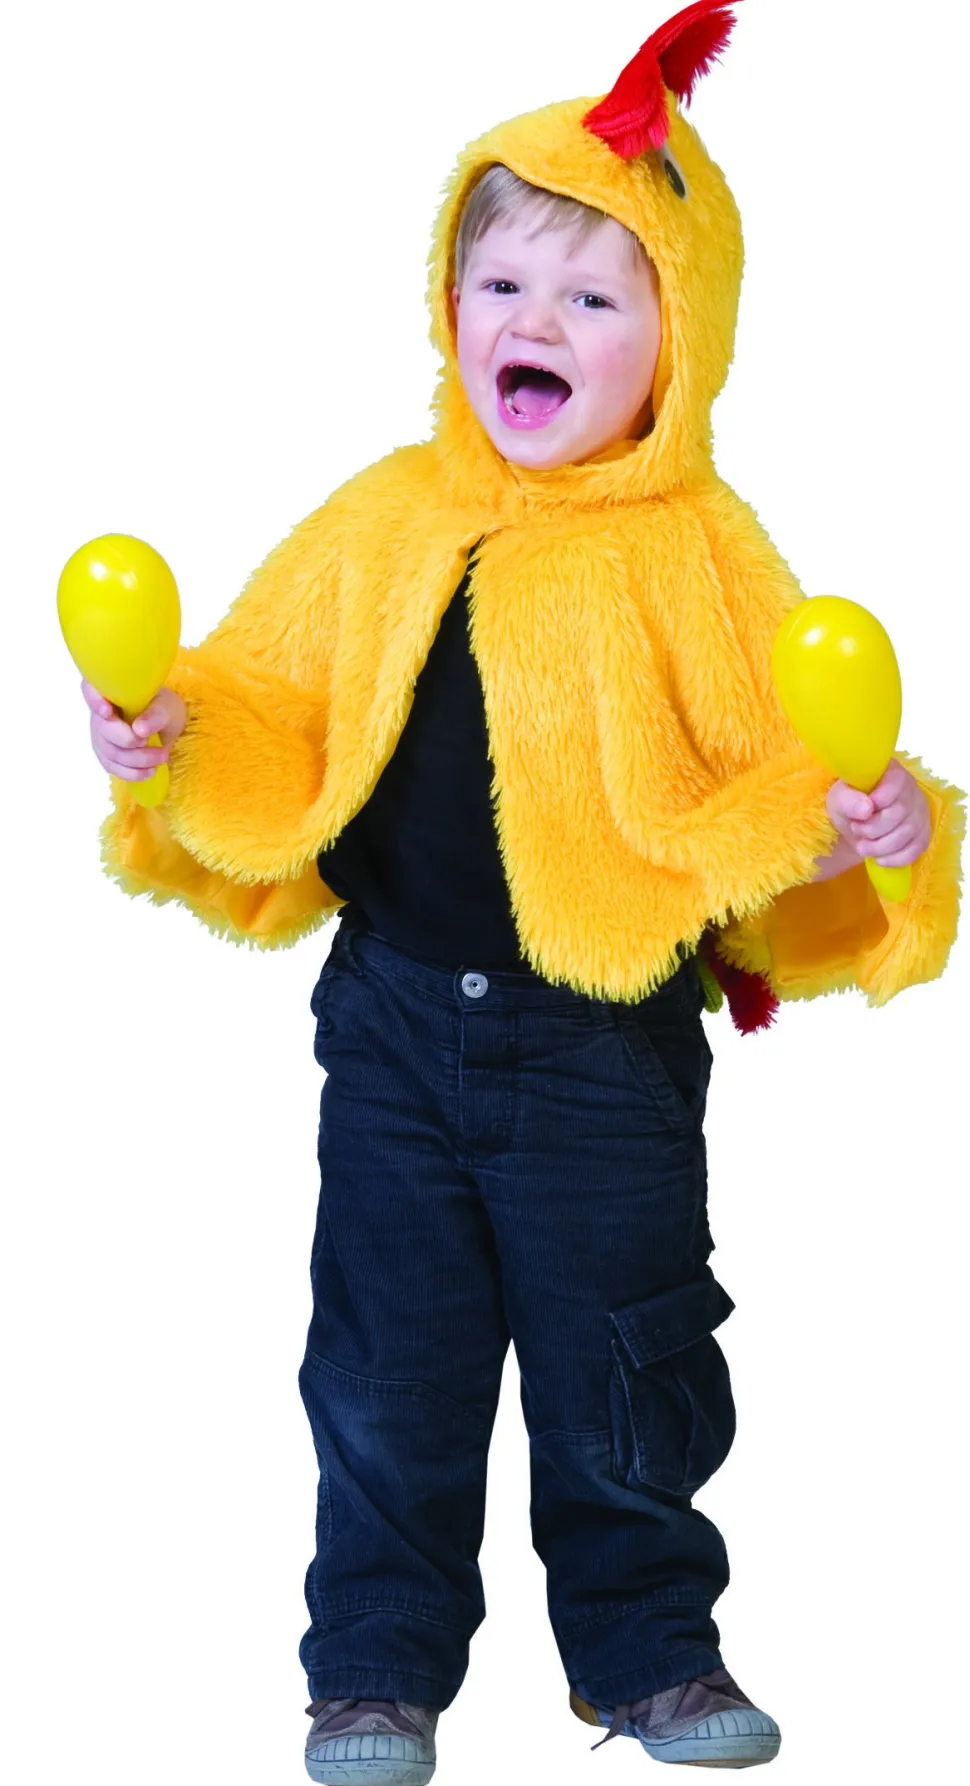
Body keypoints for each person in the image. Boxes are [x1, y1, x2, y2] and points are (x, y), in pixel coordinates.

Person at [79, 4, 963, 1779]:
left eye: (591, 297)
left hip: (601, 1047)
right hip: (393, 1025)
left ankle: (647, 1653)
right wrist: (170, 726)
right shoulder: (387, 515)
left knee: (622, 1361)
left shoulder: (699, 550)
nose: (533, 325)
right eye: (500, 285)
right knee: (383, 1369)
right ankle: (372, 1667)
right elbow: (273, 695)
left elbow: (768, 762)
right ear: (447, 303)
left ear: (680, 343)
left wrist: (868, 818)